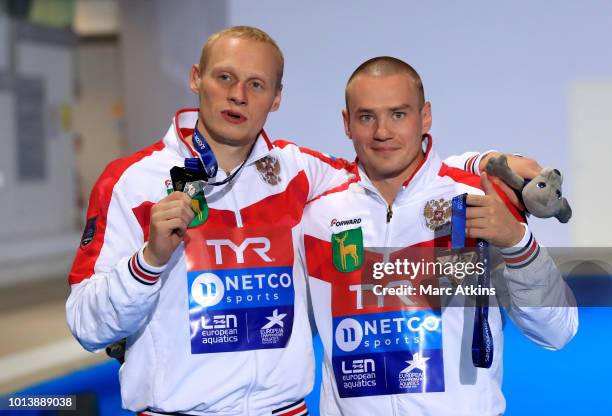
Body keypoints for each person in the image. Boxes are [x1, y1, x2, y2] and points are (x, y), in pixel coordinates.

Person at [65, 26, 543, 415]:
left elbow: (390, 162)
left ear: (275, 98)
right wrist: (147, 262)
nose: (238, 96)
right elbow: (86, 324)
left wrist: (487, 164)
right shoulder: (130, 182)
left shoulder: (298, 172)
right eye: (224, 78)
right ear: (196, 78)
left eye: (256, 85)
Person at [301, 57, 578, 415]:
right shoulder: (316, 212)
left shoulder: (477, 198)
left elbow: (557, 331)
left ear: (425, 116)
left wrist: (517, 242)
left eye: (398, 114)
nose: (382, 132)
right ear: (346, 122)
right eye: (367, 116)